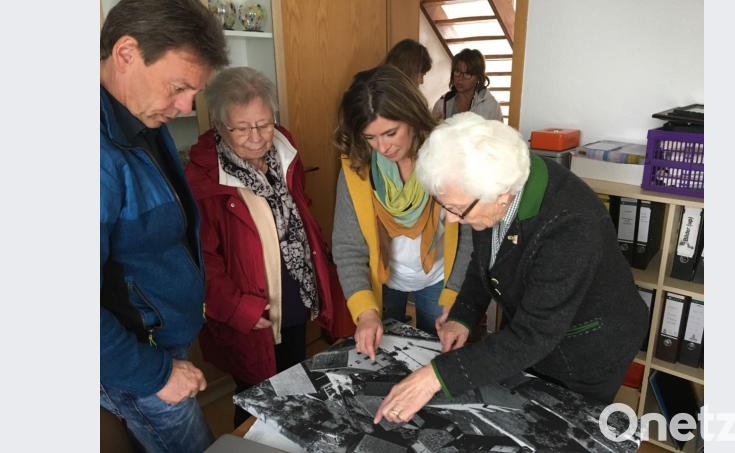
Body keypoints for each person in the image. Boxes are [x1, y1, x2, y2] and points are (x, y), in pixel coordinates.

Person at [374, 112, 649, 424]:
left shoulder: (571, 225)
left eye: (456, 209)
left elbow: (533, 335)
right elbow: (487, 259)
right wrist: (463, 315)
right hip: (537, 332)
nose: (451, 219)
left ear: (502, 196)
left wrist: (435, 377)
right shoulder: (488, 188)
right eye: (445, 206)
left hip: (589, 346)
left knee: (561, 430)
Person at [184, 67, 346, 428]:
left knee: (291, 373)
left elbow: (298, 209)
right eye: (242, 128)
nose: (257, 137)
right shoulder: (203, 178)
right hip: (251, 305)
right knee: (256, 392)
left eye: (264, 122)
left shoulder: (285, 147)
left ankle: (294, 434)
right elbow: (202, 261)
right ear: (219, 125)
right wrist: (239, 309)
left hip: (293, 290)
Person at [100, 0, 228, 451]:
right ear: (126, 53)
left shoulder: (140, 115)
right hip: (134, 357)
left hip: (159, 339)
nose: (187, 105)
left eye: (194, 91)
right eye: (178, 87)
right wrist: (155, 373)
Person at [332, 65, 472, 360]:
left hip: (438, 277)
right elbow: (348, 247)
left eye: (391, 133)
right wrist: (365, 311)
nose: (382, 147)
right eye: (370, 137)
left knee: (436, 360)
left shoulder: (446, 155)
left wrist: (455, 295)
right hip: (382, 281)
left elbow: (469, 236)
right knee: (384, 362)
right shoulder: (357, 164)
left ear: (412, 117)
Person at [432, 48, 503, 121]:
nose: (460, 78)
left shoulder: (490, 106)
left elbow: (498, 132)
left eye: (467, 74)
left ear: (478, 77)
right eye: (457, 72)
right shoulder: (442, 103)